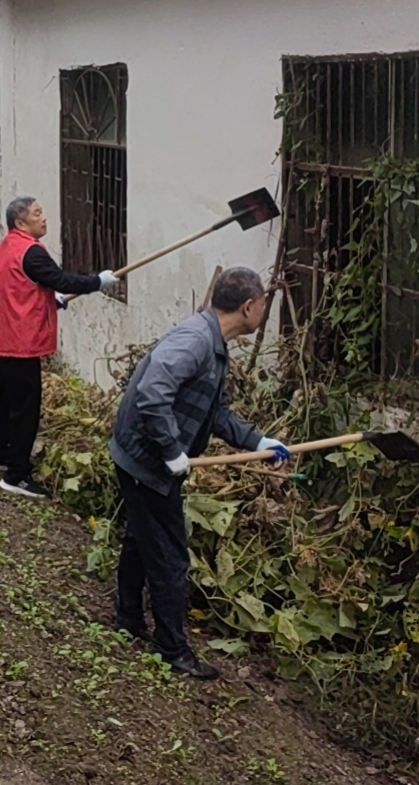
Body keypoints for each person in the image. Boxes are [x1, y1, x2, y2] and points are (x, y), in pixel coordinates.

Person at [109, 266, 291, 679]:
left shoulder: (213, 344)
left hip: (143, 457)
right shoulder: (195, 341)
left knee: (141, 538)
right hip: (146, 460)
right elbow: (152, 393)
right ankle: (171, 648)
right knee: (171, 557)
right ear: (249, 306)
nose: (264, 310)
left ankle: (128, 618)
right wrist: (171, 449)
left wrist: (259, 442)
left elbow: (217, 414)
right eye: (264, 303)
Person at [0, 196, 117, 499]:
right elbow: (61, 280)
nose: (43, 218)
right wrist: (97, 282)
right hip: (20, 345)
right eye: (37, 213)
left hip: (0, 342)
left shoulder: (6, 249)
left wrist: (48, 300)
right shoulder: (31, 252)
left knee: (6, 402)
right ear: (20, 223)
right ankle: (16, 476)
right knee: (25, 410)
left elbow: (20, 289)